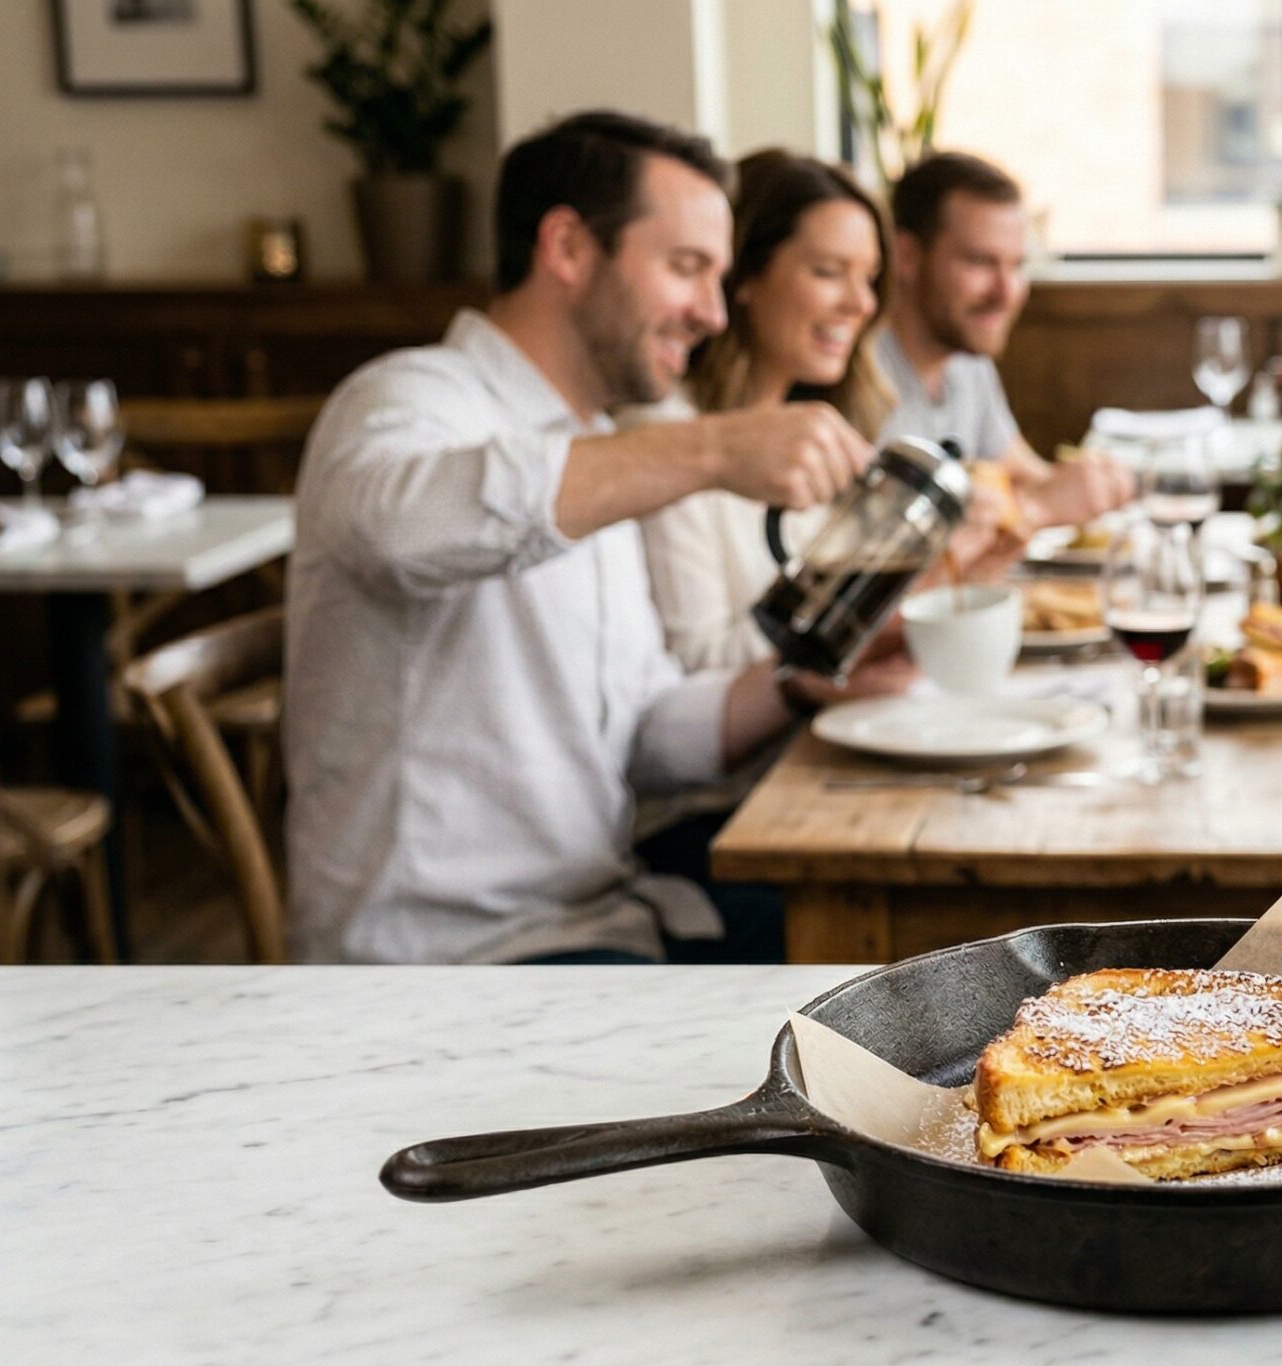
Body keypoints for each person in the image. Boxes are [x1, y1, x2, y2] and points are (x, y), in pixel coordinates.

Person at [287, 111, 863, 966]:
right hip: (447, 963)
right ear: (566, 248)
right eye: (684, 269)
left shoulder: (597, 447)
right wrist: (710, 445)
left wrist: (808, 678)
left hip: (600, 920)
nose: (711, 313)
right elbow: (400, 528)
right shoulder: (407, 398)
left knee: (896, 955)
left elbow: (647, 734)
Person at [637, 149, 1043, 674]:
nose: (862, 304)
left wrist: (941, 573)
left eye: (870, 279)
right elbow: (699, 668)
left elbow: (828, 616)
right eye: (829, 272)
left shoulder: (814, 428)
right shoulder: (672, 441)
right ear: (743, 275)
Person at [872, 149, 1132, 508]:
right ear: (908, 257)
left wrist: (1100, 482)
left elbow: (1025, 474)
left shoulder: (966, 359)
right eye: (980, 262)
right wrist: (1042, 508)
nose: (1006, 292)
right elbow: (895, 552)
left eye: (1017, 265)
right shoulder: (858, 375)